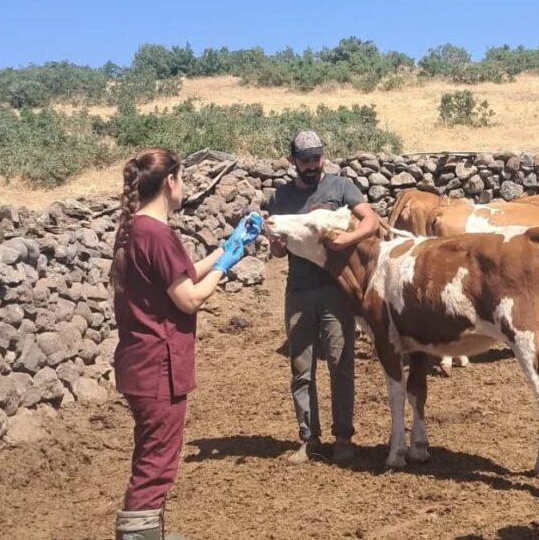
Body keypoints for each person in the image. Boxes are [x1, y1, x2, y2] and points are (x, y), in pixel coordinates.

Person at [111, 147, 262, 540]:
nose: (186, 187)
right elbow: (189, 298)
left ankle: (151, 534)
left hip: (139, 363)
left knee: (152, 455)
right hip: (158, 365)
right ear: (170, 182)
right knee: (156, 464)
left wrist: (225, 249)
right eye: (183, 179)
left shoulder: (135, 229)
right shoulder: (158, 234)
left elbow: (178, 275)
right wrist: (227, 267)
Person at [266, 130, 381, 465]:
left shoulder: (340, 187)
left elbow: (371, 219)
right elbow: (277, 252)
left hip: (335, 290)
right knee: (301, 366)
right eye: (305, 160)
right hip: (298, 291)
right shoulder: (281, 198)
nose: (313, 165)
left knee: (340, 362)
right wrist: (275, 242)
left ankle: (343, 436)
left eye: (317, 158)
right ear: (293, 162)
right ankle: (309, 438)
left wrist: (348, 240)